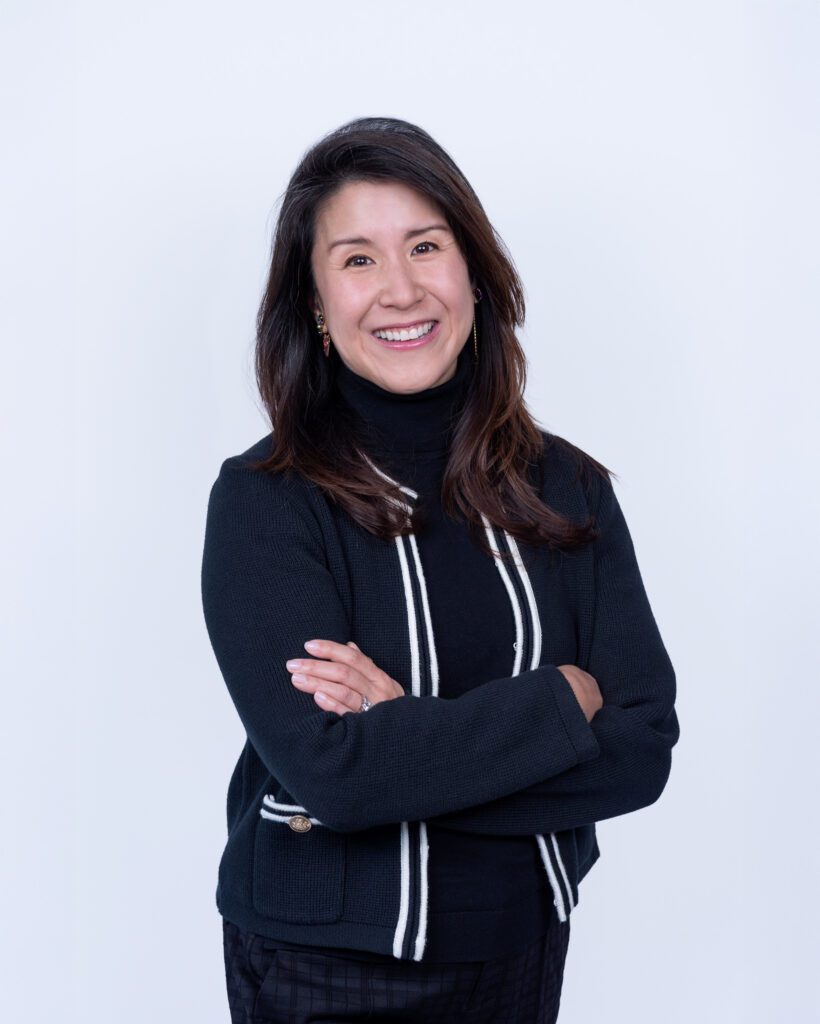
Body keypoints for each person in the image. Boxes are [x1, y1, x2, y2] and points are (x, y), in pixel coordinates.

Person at [201, 116, 680, 1023]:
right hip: (323, 965)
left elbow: (643, 749)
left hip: (522, 940)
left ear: (474, 272)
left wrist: (402, 739)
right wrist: (561, 700)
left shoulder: (568, 486)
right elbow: (333, 777)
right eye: (357, 260)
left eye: (426, 246)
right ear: (314, 302)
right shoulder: (267, 500)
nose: (401, 289)